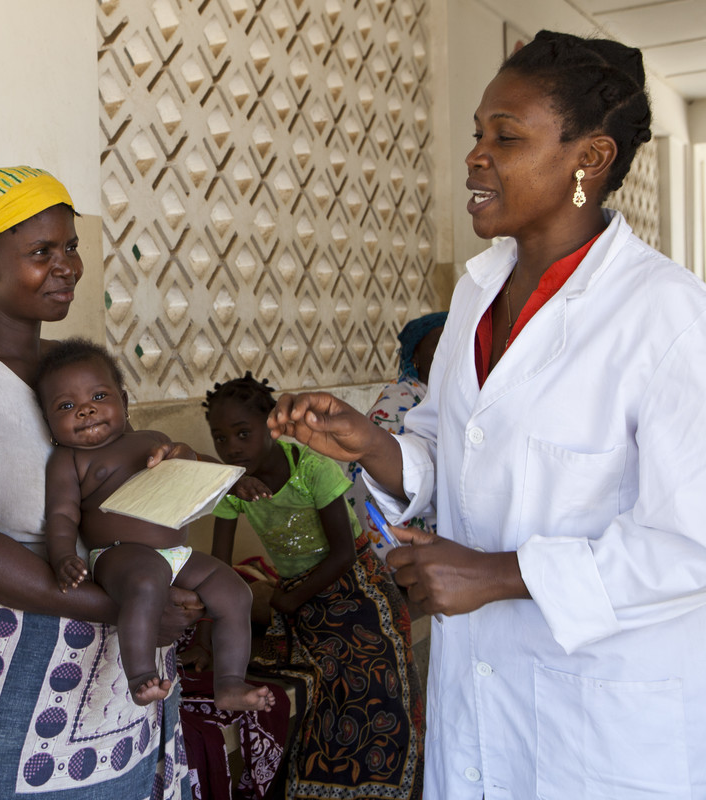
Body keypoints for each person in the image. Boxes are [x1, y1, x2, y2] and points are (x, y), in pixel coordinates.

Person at [269, 31, 706, 799]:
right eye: (477, 133)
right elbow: (455, 449)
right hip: (480, 696)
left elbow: (690, 543)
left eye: (506, 137)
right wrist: (373, 444)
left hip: (603, 721)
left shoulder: (666, 316)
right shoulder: (477, 292)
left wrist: (499, 575)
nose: (475, 155)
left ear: (590, 159)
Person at [0, 166, 199, 799]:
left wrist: (161, 465)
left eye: (71, 247)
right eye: (41, 252)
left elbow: (108, 488)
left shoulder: (71, 370)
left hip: (115, 678)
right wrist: (125, 608)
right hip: (4, 676)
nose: (66, 267)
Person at [199, 373, 424, 799]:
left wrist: (289, 599)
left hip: (357, 587)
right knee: (314, 683)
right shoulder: (232, 487)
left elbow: (342, 553)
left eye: (243, 433)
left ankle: (384, 787)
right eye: (220, 438)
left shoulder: (312, 469)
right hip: (300, 596)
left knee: (375, 678)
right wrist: (205, 641)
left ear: (270, 425)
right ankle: (321, 786)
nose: (231, 448)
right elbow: (217, 568)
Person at [36, 338, 272, 711]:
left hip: (177, 554)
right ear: (49, 424)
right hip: (119, 555)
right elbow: (63, 515)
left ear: (125, 403)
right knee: (145, 583)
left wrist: (234, 481)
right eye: (67, 406)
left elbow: (196, 469)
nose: (85, 410)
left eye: (99, 397)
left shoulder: (152, 441)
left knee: (235, 592)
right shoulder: (69, 460)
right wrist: (63, 555)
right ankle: (140, 674)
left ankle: (228, 683)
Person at [346, 311, 447, 541]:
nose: (445, 351)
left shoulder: (448, 398)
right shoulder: (398, 401)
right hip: (391, 527)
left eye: (451, 341)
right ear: (415, 358)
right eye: (437, 344)